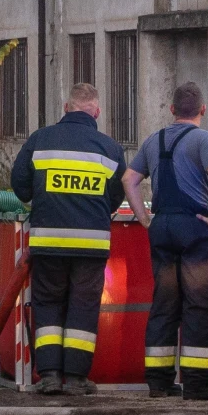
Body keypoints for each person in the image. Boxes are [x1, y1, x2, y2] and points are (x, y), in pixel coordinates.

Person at [11, 83, 126, 397]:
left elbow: (19, 184)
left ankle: (48, 376)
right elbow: (117, 195)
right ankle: (76, 379)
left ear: (66, 108)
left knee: (47, 304)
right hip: (92, 245)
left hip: (49, 241)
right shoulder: (110, 149)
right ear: (97, 113)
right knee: (83, 308)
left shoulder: (40, 140)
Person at [123, 82, 208, 401]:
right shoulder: (203, 139)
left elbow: (129, 179)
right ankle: (197, 383)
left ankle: (159, 382)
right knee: (200, 304)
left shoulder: (152, 140)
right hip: (195, 228)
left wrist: (144, 218)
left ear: (171, 110)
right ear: (203, 109)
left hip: (162, 227)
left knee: (165, 303)